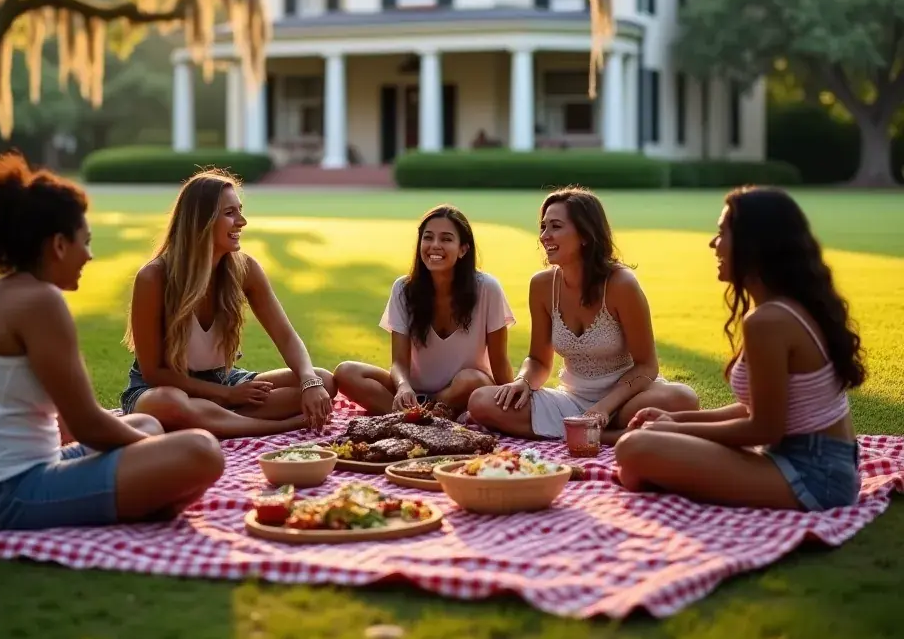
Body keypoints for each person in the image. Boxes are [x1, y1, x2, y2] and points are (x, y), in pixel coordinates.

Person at [0, 153, 224, 532]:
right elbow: (86, 426)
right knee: (201, 451)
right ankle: (141, 501)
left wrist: (145, 446)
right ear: (57, 245)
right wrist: (147, 453)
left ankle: (140, 497)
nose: (89, 255)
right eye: (84, 242)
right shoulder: (40, 301)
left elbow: (72, 423)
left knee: (149, 424)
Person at [614, 187, 864, 511]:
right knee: (635, 462)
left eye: (721, 233)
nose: (713, 244)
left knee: (633, 450)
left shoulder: (769, 320)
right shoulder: (782, 308)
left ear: (752, 244)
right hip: (821, 464)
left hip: (814, 476)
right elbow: (755, 410)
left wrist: (675, 429)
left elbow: (763, 428)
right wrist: (676, 420)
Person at [468, 186, 698, 442]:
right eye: (543, 227)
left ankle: (596, 432)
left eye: (555, 226)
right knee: (481, 400)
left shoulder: (621, 285)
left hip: (625, 399)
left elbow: (647, 366)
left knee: (682, 398)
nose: (545, 236)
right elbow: (538, 360)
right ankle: (601, 434)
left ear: (585, 235)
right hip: (570, 402)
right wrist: (522, 381)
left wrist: (604, 408)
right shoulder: (542, 286)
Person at [121, 168, 334, 437]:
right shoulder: (153, 277)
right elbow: (153, 373)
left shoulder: (245, 269)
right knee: (170, 404)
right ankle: (278, 426)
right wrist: (227, 395)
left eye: (240, 211)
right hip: (163, 390)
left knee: (323, 379)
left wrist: (309, 381)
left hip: (224, 381)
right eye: (230, 213)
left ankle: (214, 419)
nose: (242, 222)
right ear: (201, 221)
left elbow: (287, 337)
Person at [334, 204, 514, 417]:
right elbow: (399, 363)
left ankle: (410, 418)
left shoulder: (487, 288)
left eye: (446, 239)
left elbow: (500, 362)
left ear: (463, 249)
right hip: (415, 393)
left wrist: (510, 404)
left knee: (471, 379)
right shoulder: (403, 289)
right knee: (346, 372)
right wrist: (402, 386)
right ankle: (419, 419)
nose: (434, 245)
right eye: (428, 238)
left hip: (463, 393)